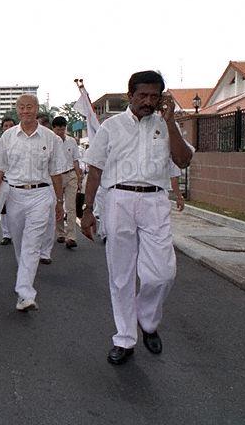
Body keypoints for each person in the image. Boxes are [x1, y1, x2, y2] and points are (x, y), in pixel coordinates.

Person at [81, 70, 194, 366]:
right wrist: (87, 209)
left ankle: (148, 321)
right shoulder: (111, 127)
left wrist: (170, 123)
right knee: (121, 275)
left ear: (161, 98)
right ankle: (125, 338)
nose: (148, 101)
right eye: (142, 95)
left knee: (162, 273)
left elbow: (183, 160)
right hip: (118, 199)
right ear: (130, 95)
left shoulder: (165, 125)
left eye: (154, 96)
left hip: (155, 200)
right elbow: (94, 170)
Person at [0, 94, 68, 312]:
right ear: (17, 110)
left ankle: (25, 293)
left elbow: (56, 173)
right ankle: (24, 276)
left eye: (30, 107)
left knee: (32, 243)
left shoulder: (50, 138)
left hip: (41, 195)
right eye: (22, 107)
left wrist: (59, 202)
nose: (26, 111)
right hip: (14, 195)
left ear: (36, 109)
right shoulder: (7, 137)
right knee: (19, 241)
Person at [51, 116, 83, 250]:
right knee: (57, 204)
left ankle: (71, 237)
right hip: (56, 177)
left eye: (63, 128)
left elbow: (76, 160)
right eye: (58, 129)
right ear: (54, 128)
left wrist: (79, 177)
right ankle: (60, 233)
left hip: (70, 175)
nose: (61, 131)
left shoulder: (72, 141)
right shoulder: (50, 141)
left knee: (71, 207)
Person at [0, 117, 17, 246]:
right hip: (4, 181)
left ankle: (17, 233)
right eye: (6, 126)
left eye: (11, 125)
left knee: (16, 210)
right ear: (2, 128)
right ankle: (6, 234)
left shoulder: (22, 141)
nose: (8, 128)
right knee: (3, 210)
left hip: (18, 182)